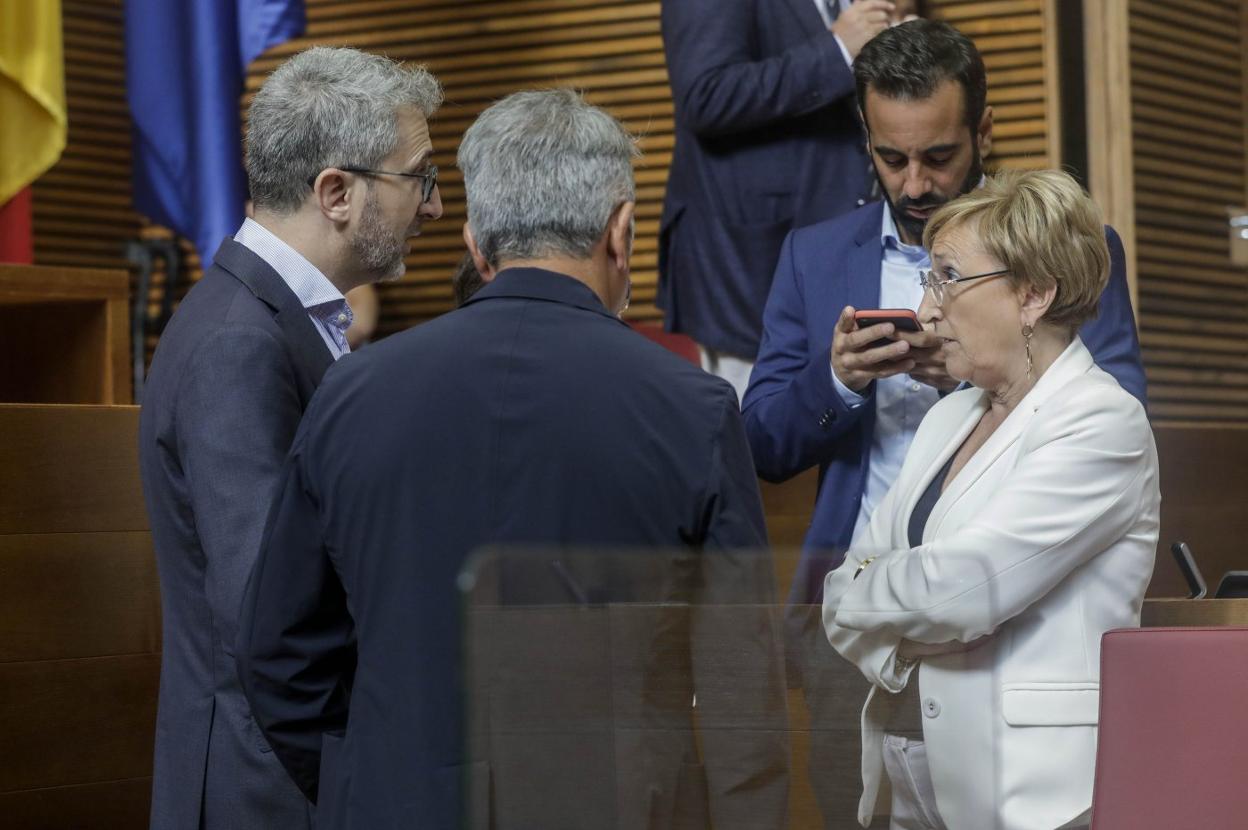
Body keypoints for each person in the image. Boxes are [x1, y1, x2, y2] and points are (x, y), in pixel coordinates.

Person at [237, 89, 788, 830]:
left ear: (474, 243)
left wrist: (361, 782)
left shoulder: (349, 392)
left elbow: (280, 656)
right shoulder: (694, 407)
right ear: (620, 232)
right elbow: (739, 691)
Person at [137, 47, 443, 830]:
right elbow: (266, 617)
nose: (436, 209)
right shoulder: (239, 343)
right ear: (336, 192)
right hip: (266, 790)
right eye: (419, 179)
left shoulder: (274, 321)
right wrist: (353, 776)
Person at [743, 18, 1146, 610]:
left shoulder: (1064, 246)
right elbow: (761, 447)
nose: (913, 185)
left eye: (938, 156)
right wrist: (838, 381)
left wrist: (971, 380)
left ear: (982, 133)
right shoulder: (813, 256)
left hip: (1011, 594)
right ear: (866, 137)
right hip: (848, 598)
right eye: (891, 158)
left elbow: (1119, 407)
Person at [822, 168, 1160, 830]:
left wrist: (878, 595)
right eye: (928, 277)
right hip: (909, 772)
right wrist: (894, 610)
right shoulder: (950, 415)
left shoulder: (1100, 422)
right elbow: (840, 587)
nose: (925, 310)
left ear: (1033, 294)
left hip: (1034, 794)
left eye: (947, 276)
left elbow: (963, 592)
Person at [658, 0, 919, 399]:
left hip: (854, 234)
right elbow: (704, 94)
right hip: (749, 257)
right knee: (757, 438)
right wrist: (837, 51)